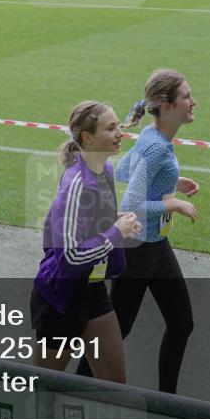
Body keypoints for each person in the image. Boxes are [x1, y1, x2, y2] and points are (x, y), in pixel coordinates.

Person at [77, 70, 199, 393]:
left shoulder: (152, 136)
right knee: (117, 330)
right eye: (186, 96)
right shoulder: (156, 146)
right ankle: (70, 388)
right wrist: (174, 205)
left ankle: (167, 402)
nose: (193, 101)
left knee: (181, 323)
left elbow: (127, 171)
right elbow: (132, 202)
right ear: (167, 105)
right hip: (139, 250)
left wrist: (175, 183)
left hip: (155, 246)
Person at [31, 101, 140, 383]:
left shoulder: (105, 170)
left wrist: (118, 221)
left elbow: (90, 222)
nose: (120, 133)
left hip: (93, 288)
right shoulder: (76, 182)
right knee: (43, 389)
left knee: (114, 384)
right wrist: (116, 232)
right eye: (111, 128)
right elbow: (69, 257)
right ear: (87, 137)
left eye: (118, 126)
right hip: (61, 297)